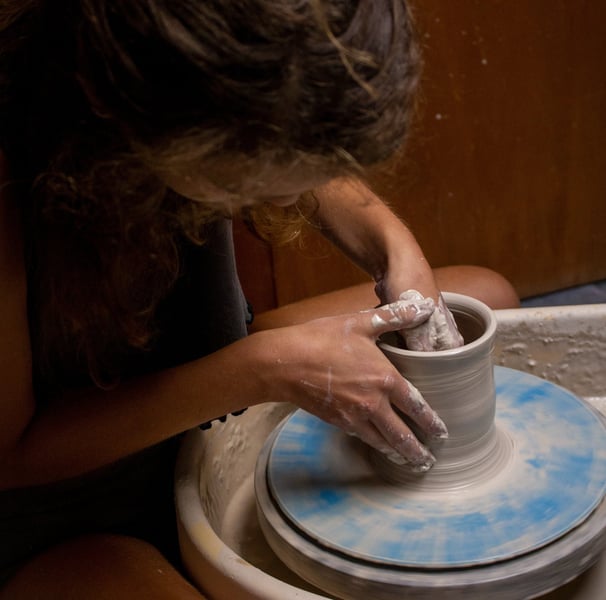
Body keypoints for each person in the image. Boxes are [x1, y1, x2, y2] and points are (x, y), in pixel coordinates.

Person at [0, 1, 518, 598]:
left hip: (203, 364)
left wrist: (392, 249)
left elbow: (297, 142)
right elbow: (11, 456)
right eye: (257, 180)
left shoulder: (196, 81)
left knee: (484, 297)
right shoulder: (11, 165)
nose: (288, 197)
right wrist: (267, 368)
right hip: (68, 496)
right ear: (169, 118)